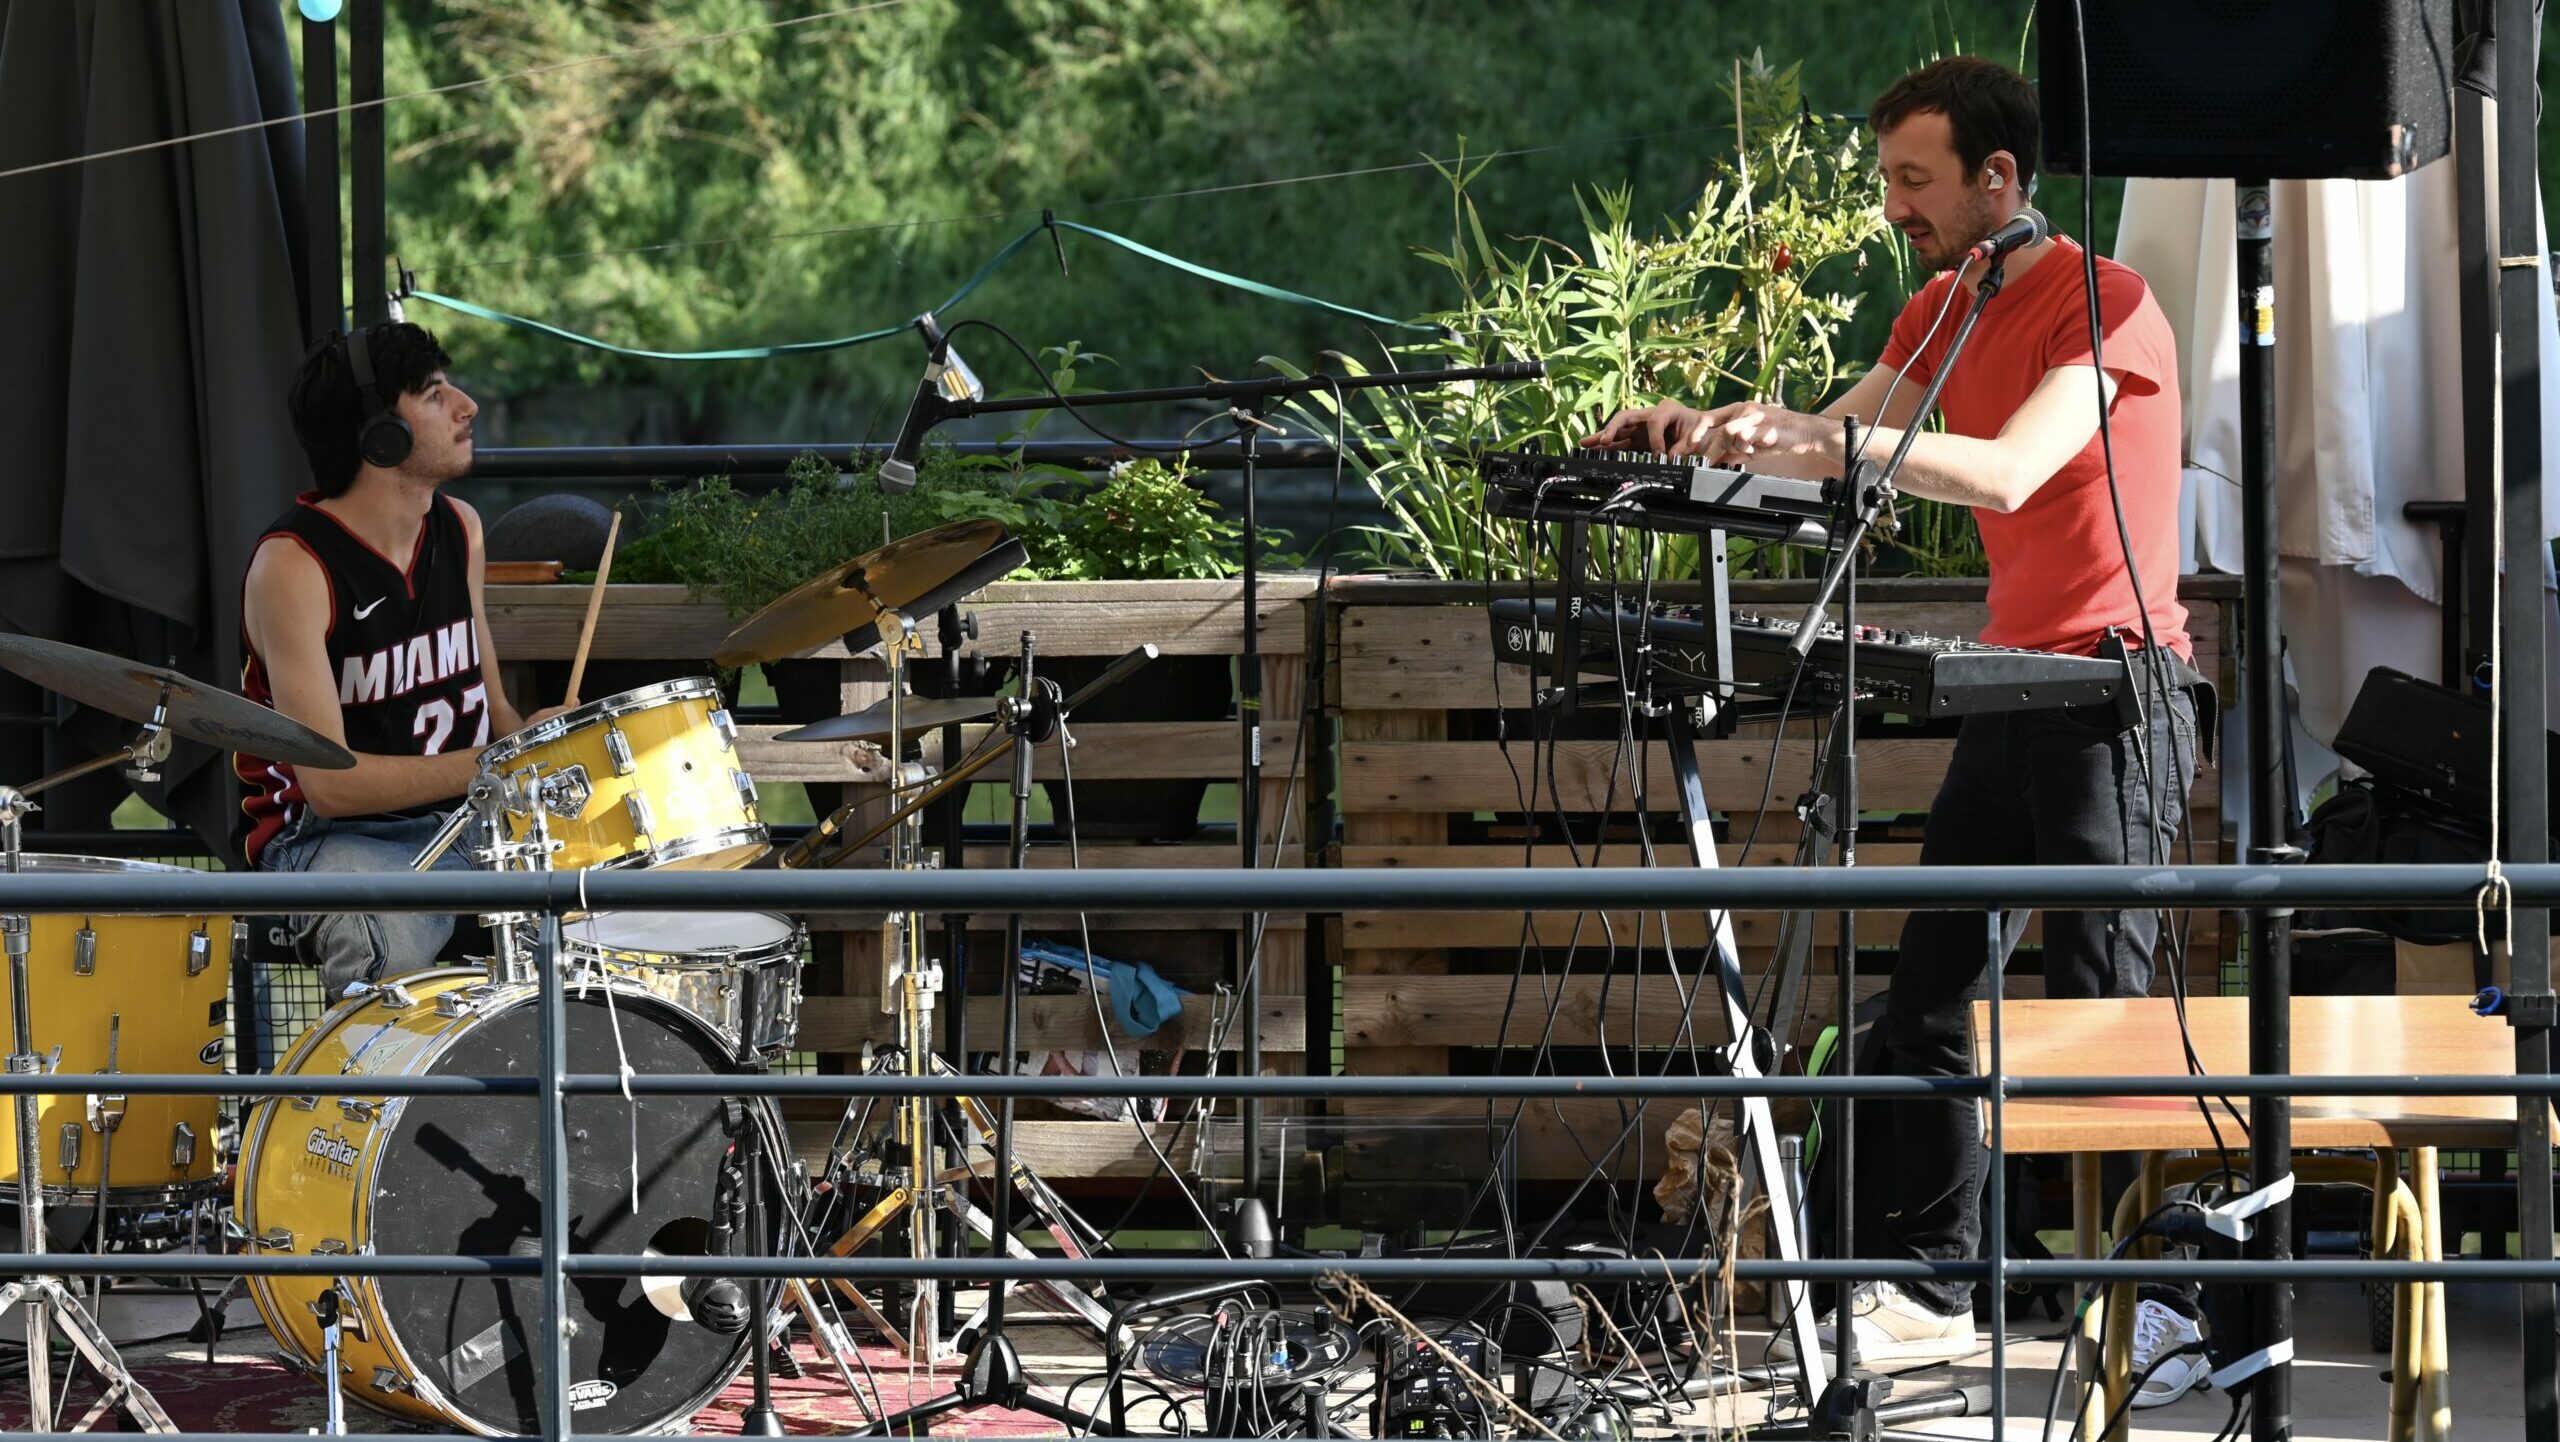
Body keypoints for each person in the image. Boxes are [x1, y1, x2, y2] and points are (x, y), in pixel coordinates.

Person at [1584, 56, 2203, 1377]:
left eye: (1914, 182)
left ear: (1999, 179)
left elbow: (2009, 466)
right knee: (1933, 1003)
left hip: (2113, 689)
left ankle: (2161, 1306)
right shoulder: (1942, 306)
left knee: (2110, 1010)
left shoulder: (2108, 302)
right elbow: (1838, 433)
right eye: (1886, 182)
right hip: (2010, 682)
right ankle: (1930, 1288)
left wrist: (1827, 445)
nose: (1892, 208)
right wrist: (1699, 438)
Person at [235, 321, 562, 999]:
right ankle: (385, 1107)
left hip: (471, 819)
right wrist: (496, 767)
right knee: (388, 938)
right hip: (332, 840)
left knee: (607, 897)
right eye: (436, 394)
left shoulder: (460, 527)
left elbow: (494, 713)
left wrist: (545, 738)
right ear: (378, 433)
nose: (466, 405)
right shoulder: (294, 565)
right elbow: (331, 784)